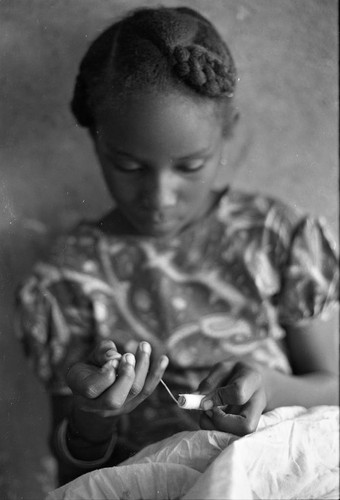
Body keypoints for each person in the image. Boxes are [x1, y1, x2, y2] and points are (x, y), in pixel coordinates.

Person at [16, 5, 339, 487]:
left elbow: (332, 392)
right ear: (95, 139)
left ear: (227, 132)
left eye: (190, 166)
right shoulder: (68, 279)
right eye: (128, 166)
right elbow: (73, 473)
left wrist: (268, 386)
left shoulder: (275, 237)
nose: (159, 198)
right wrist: (94, 418)